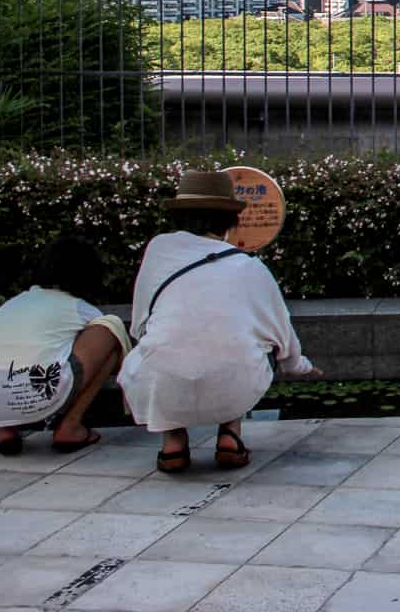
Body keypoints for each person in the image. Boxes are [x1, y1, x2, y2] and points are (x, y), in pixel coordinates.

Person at [120, 169, 321, 474]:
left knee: (158, 346)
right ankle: (230, 434)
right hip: (232, 386)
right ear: (229, 218)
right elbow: (282, 336)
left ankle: (173, 443)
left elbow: (139, 324)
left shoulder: (157, 250)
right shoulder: (249, 267)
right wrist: (300, 367)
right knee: (258, 342)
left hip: (162, 382)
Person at [0, 237, 130, 454]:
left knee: (8, 356)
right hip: (36, 392)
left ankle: (5, 431)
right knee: (111, 329)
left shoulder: (12, 304)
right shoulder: (78, 307)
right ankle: (70, 427)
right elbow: (109, 356)